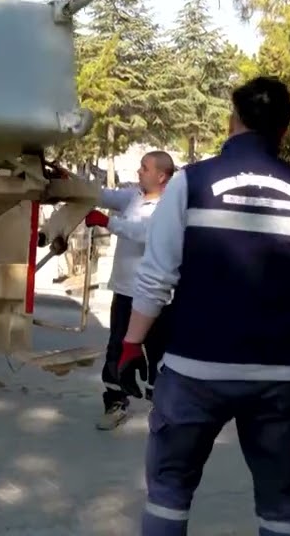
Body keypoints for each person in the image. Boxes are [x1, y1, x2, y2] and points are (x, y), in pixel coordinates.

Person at [115, 76, 290, 536]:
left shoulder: (190, 183)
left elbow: (155, 276)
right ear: (283, 133)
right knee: (281, 506)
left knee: (168, 494)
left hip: (193, 371)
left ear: (232, 123)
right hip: (279, 378)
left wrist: (131, 346)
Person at [84, 150, 177, 430]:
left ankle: (160, 406)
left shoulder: (168, 207)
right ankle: (115, 401)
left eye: (144, 168)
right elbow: (104, 196)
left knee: (157, 352)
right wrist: (72, 183)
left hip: (154, 294)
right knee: (117, 347)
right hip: (124, 291)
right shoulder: (134, 196)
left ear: (161, 176)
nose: (139, 171)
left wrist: (107, 222)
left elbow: (142, 233)